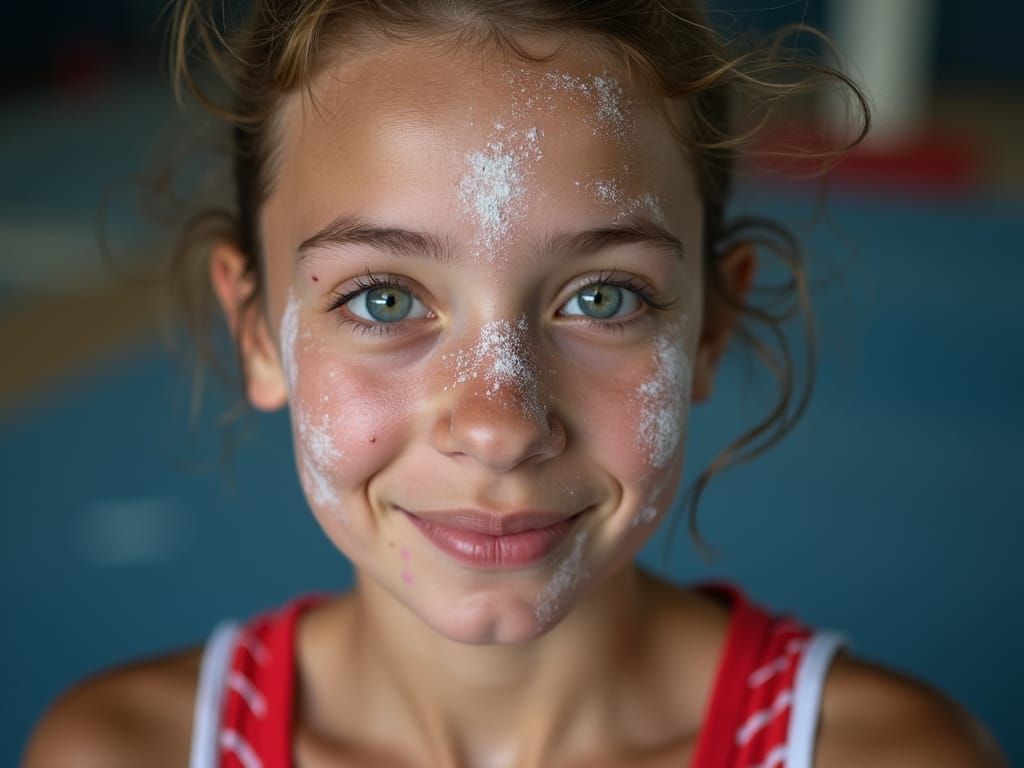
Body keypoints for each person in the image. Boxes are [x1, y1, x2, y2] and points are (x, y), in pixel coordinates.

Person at [23, 2, 1006, 766]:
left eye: (604, 296)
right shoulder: (121, 754)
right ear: (258, 333)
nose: (497, 425)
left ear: (709, 324)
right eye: (380, 301)